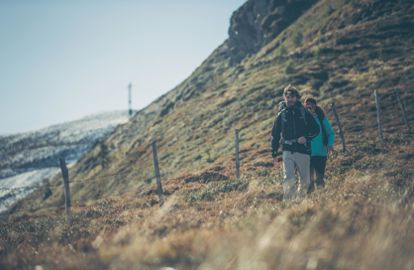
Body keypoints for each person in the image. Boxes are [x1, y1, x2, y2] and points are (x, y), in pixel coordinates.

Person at [271, 85, 319, 200]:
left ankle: (299, 201)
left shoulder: (304, 113)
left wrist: (306, 138)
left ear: (297, 98)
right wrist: (274, 153)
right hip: (287, 150)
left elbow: (316, 129)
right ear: (284, 97)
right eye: (287, 96)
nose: (290, 99)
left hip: (303, 150)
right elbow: (275, 135)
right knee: (288, 178)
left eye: (292, 97)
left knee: (305, 181)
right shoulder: (281, 115)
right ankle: (288, 204)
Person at [303, 97, 335, 193]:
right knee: (309, 181)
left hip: (321, 154)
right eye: (307, 106)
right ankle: (309, 202)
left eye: (311, 106)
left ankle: (321, 200)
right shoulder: (302, 120)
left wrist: (330, 144)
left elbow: (330, 133)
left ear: (315, 106)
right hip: (307, 155)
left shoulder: (321, 118)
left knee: (320, 179)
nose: (309, 108)